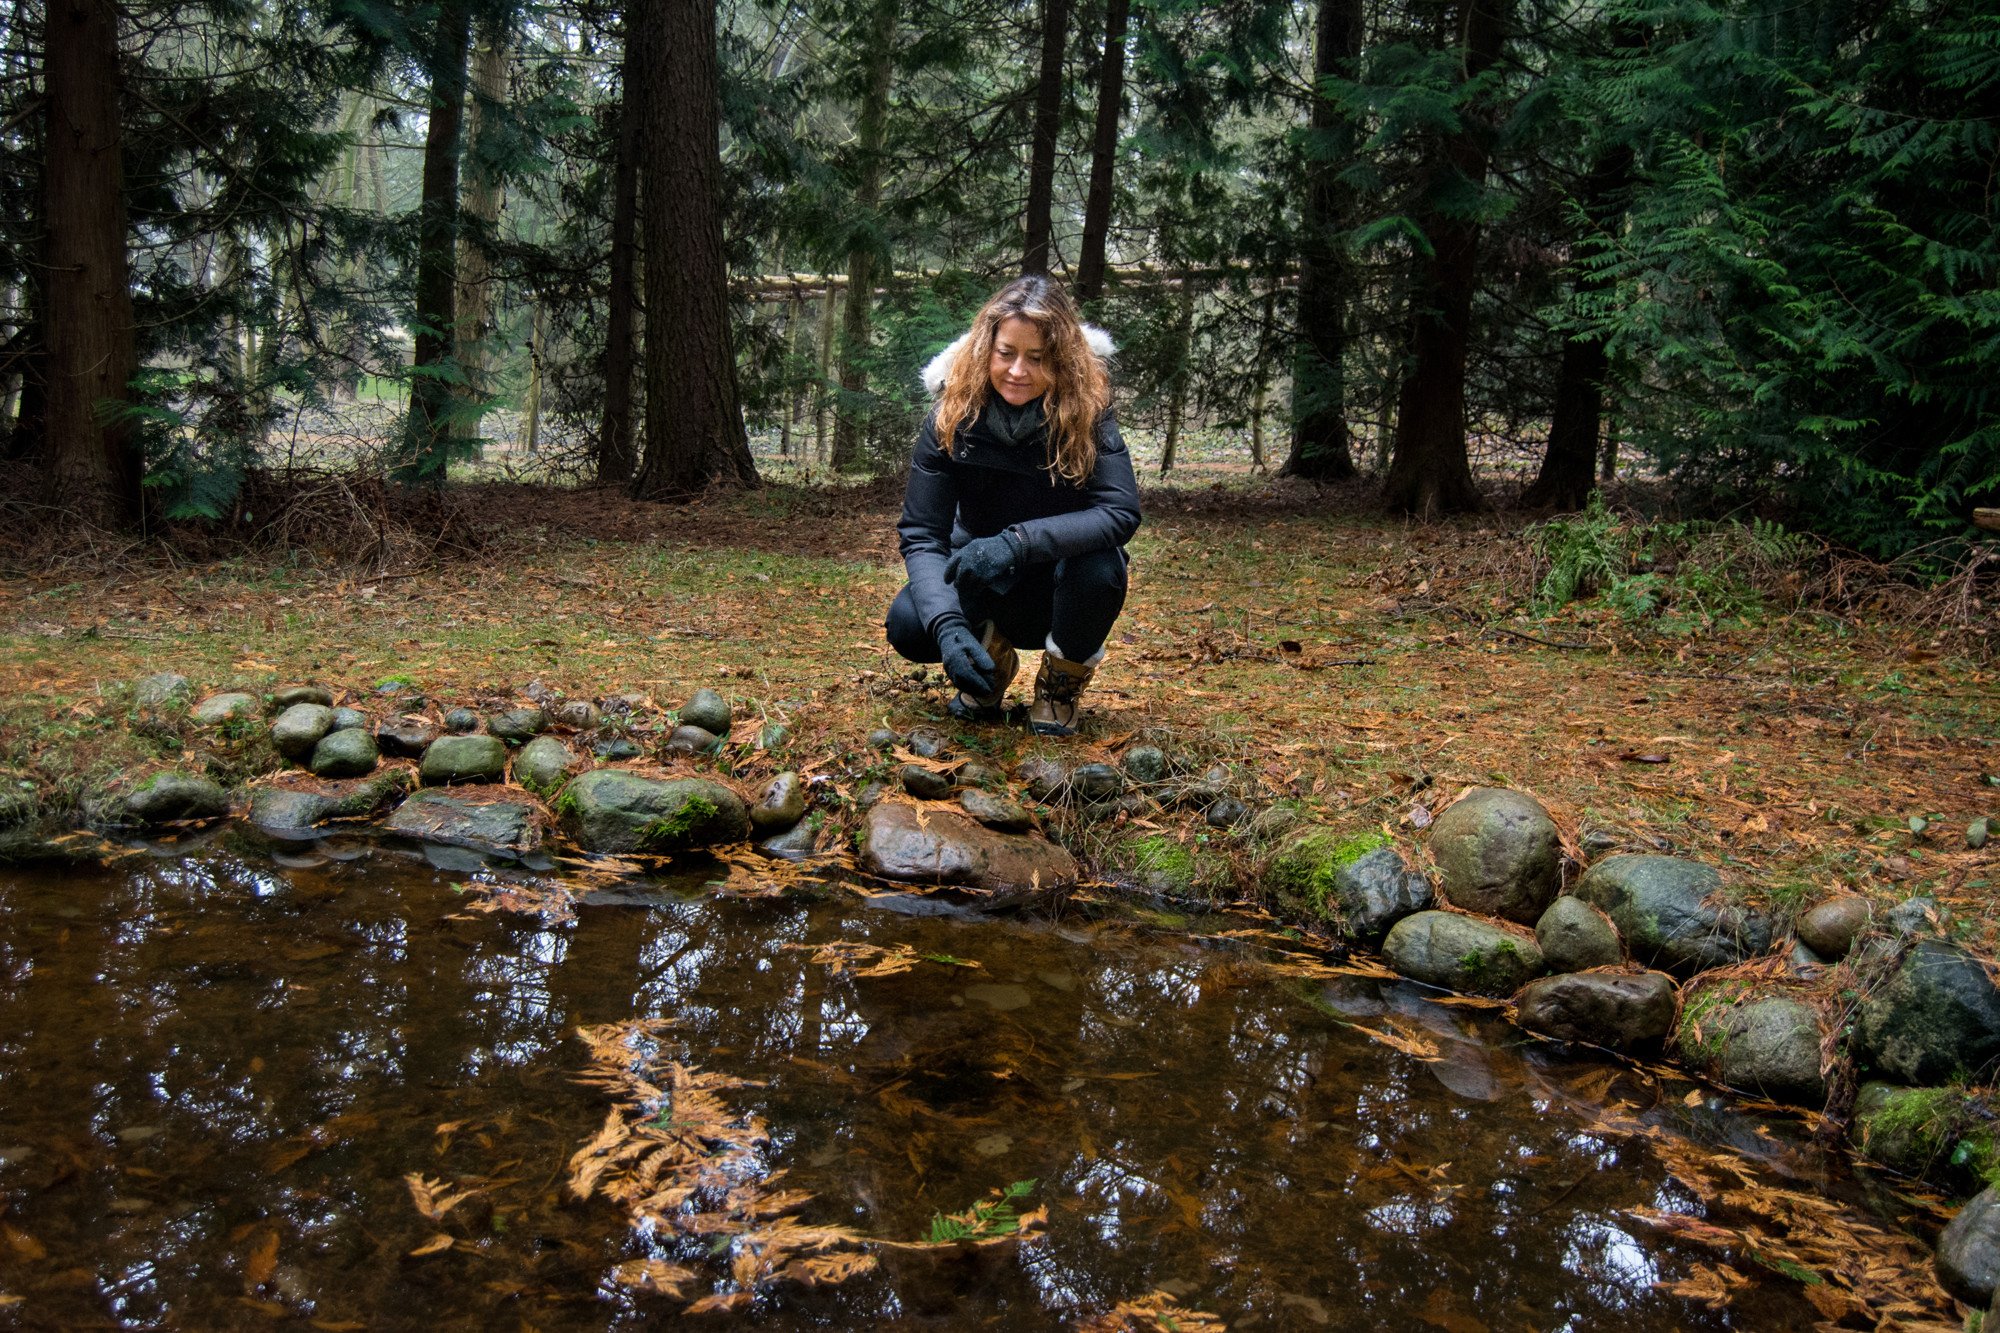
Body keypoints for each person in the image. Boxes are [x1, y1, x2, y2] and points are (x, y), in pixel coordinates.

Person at [884, 275, 1141, 736]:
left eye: (1037, 358)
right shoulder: (950, 415)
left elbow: (1118, 512)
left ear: (1061, 361)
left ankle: (1059, 686)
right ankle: (989, 658)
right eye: (1006, 354)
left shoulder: (1090, 410)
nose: (1018, 371)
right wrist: (947, 628)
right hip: (982, 578)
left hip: (1061, 587)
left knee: (1102, 567)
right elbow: (923, 534)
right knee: (909, 623)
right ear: (987, 349)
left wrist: (1017, 543)